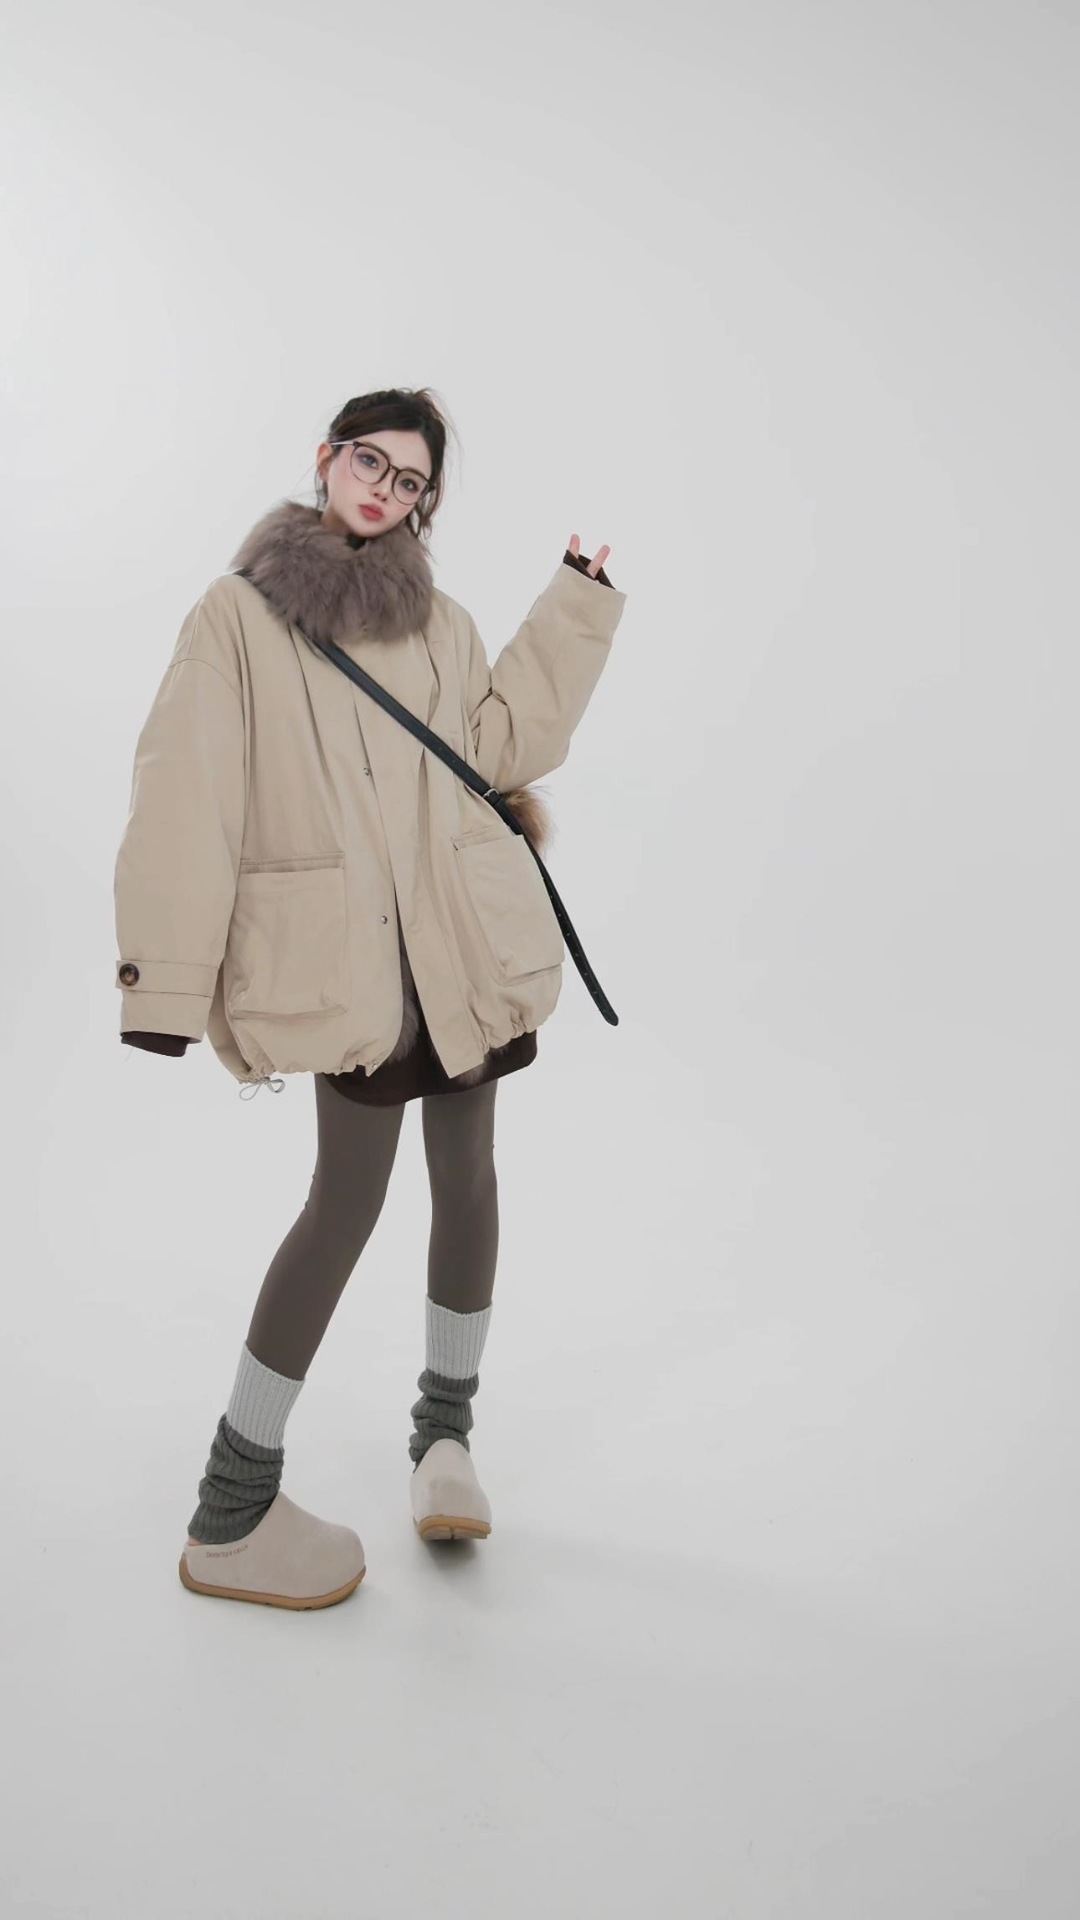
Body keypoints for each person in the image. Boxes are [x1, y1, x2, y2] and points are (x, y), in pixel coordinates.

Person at [113, 386, 626, 1611]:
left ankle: (445, 1440)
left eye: (410, 480)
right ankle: (232, 1506)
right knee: (342, 1204)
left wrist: (573, 607)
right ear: (326, 457)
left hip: (459, 951)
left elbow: (495, 748)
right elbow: (185, 796)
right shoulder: (239, 617)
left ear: (424, 502)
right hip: (346, 970)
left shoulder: (442, 624)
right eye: (369, 461)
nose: (384, 489)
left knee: (470, 1178)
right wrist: (165, 983)